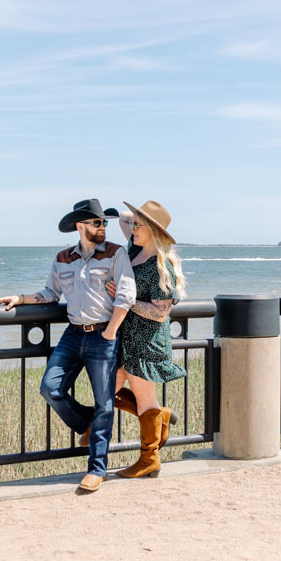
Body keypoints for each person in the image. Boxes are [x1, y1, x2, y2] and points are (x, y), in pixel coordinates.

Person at [0, 198, 136, 492]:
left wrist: (110, 332)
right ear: (80, 226)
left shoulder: (115, 253)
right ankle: (86, 422)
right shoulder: (62, 258)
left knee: (104, 403)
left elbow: (126, 296)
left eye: (104, 223)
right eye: (97, 223)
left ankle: (97, 469)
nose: (103, 227)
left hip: (103, 335)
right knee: (50, 388)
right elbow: (50, 292)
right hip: (73, 335)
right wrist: (20, 299)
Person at [111, 200, 187, 479]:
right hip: (125, 336)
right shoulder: (134, 250)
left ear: (153, 232)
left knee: (144, 400)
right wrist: (140, 217)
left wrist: (126, 301)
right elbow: (121, 217)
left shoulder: (160, 265)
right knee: (109, 390)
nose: (132, 229)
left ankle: (149, 459)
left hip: (146, 340)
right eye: (134, 224)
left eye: (139, 226)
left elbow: (158, 313)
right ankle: (161, 417)